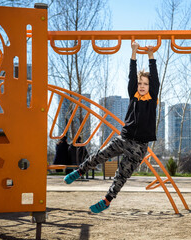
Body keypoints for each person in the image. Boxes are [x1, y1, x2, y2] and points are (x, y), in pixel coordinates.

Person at [64, 42, 159, 213]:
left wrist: (151, 55)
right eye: (140, 83)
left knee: (122, 175)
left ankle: (107, 200)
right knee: (100, 155)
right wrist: (134, 52)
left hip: (140, 147)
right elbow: (131, 75)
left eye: (145, 83)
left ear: (149, 86)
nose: (142, 86)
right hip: (124, 139)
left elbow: (155, 80)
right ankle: (80, 171)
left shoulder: (152, 99)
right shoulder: (134, 96)